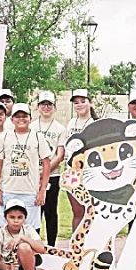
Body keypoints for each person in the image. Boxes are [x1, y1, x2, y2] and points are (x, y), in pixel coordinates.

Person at [0, 103, 52, 230]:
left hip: (30, 191)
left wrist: (42, 190)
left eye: (24, 116)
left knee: (31, 229)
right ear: (12, 119)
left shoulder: (37, 137)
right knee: (5, 229)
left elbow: (47, 163)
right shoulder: (6, 136)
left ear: (30, 118)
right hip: (8, 190)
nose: (21, 119)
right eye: (17, 116)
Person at [58, 89, 98, 231]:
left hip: (89, 174)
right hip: (72, 174)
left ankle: (91, 246)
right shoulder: (70, 123)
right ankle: (77, 246)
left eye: (83, 101)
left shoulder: (95, 124)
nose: (79, 105)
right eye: (76, 102)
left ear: (90, 103)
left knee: (90, 212)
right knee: (77, 212)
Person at [31, 90, 66, 246]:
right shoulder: (31, 127)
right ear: (38, 107)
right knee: (34, 211)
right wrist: (35, 172)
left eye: (49, 104)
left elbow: (59, 155)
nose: (46, 107)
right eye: (43, 104)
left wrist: (45, 172)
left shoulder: (60, 129)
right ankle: (35, 244)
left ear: (54, 107)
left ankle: (51, 246)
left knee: (50, 211)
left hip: (52, 175)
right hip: (32, 176)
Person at [0, 200, 47, 270]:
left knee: (24, 246)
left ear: (25, 218)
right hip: (8, 266)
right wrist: (7, 268)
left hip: (25, 264)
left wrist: (22, 238)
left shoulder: (29, 229)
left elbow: (42, 249)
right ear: (5, 218)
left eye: (20, 217)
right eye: (12, 217)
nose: (16, 221)